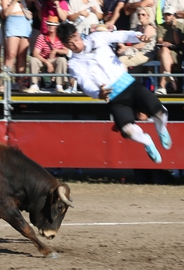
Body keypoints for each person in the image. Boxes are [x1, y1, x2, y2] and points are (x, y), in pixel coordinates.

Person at [57, 22, 172, 164]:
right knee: (127, 130)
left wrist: (138, 37)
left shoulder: (96, 37)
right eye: (70, 43)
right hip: (113, 95)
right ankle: (146, 141)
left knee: (160, 112)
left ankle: (160, 128)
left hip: (129, 84)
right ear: (65, 45)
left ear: (78, 33)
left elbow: (120, 35)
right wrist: (98, 94)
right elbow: (85, 83)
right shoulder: (74, 64)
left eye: (75, 38)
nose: (76, 44)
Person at [2, 0, 37, 89]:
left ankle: (20, 82)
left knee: (22, 55)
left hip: (24, 24)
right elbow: (5, 13)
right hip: (12, 23)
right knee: (11, 54)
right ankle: (6, 81)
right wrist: (15, 0)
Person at [28, 16, 70, 93]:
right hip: (43, 61)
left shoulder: (60, 37)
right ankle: (34, 85)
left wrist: (55, 50)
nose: (51, 26)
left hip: (55, 61)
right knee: (33, 60)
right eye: (49, 24)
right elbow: (35, 53)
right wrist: (47, 62)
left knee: (62, 60)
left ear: (57, 26)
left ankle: (59, 85)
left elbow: (66, 51)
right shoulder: (41, 37)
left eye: (53, 25)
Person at [155, 8, 183, 94]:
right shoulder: (160, 26)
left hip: (176, 51)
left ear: (173, 16)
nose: (167, 16)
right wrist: (164, 43)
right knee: (164, 50)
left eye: (169, 14)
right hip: (163, 49)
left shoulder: (180, 25)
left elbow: (178, 42)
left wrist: (174, 28)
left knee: (164, 59)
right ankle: (169, 77)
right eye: (165, 14)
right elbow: (159, 40)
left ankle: (162, 86)